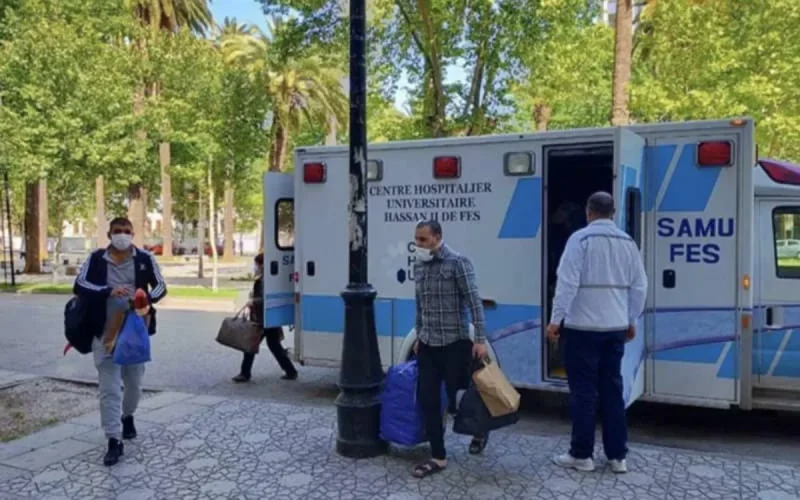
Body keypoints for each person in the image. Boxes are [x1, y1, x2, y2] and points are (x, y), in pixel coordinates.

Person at [546, 192, 647, 474]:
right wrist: (631, 320)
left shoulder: (580, 240)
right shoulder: (628, 243)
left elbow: (566, 284)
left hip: (582, 330)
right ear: (613, 213)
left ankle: (582, 455)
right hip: (614, 329)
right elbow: (640, 286)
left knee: (584, 393)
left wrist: (556, 321)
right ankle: (617, 457)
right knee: (612, 391)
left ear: (589, 212)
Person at [73, 217, 167, 466]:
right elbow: (79, 284)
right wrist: (107, 291)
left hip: (135, 332)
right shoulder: (95, 259)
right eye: (117, 231)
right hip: (104, 334)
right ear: (109, 234)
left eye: (126, 231)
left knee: (134, 385)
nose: (122, 235)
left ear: (133, 234)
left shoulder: (145, 259)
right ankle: (114, 439)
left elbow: (161, 287)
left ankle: (128, 416)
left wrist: (144, 295)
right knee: (109, 389)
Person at [410, 220, 490, 479]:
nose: (418, 245)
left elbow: (474, 302)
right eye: (416, 240)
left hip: (455, 344)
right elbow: (419, 304)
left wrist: (479, 339)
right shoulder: (420, 266)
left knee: (461, 400)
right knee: (427, 398)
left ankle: (480, 429)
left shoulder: (458, 263)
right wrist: (419, 334)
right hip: (429, 344)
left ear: (437, 237)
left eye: (423, 239)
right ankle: (438, 456)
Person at [232, 252, 297, 382]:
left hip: (261, 318)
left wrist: (253, 302)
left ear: (262, 265)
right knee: (274, 345)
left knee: (250, 345)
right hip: (268, 317)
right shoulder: (268, 279)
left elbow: (264, 299)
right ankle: (290, 371)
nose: (255, 266)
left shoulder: (264, 281)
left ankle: (245, 373)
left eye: (257, 263)